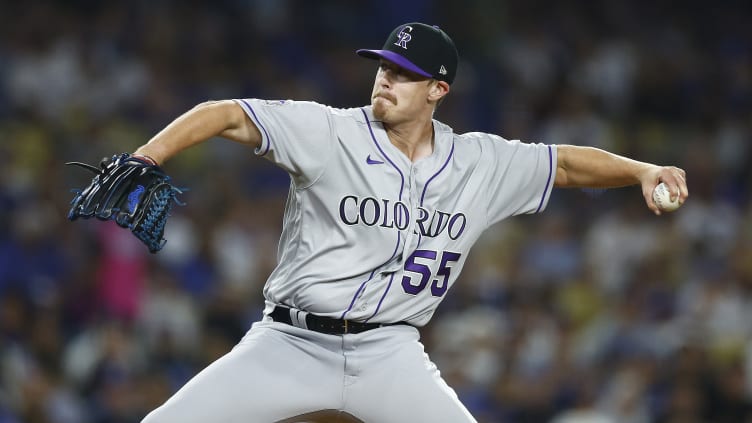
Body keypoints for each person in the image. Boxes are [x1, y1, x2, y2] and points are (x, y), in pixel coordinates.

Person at [136, 22, 688, 423]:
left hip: (389, 354)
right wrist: (147, 157)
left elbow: (563, 162)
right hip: (290, 342)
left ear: (437, 90)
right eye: (384, 67)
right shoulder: (330, 132)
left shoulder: (478, 162)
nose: (386, 80)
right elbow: (227, 113)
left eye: (405, 74)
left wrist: (641, 170)